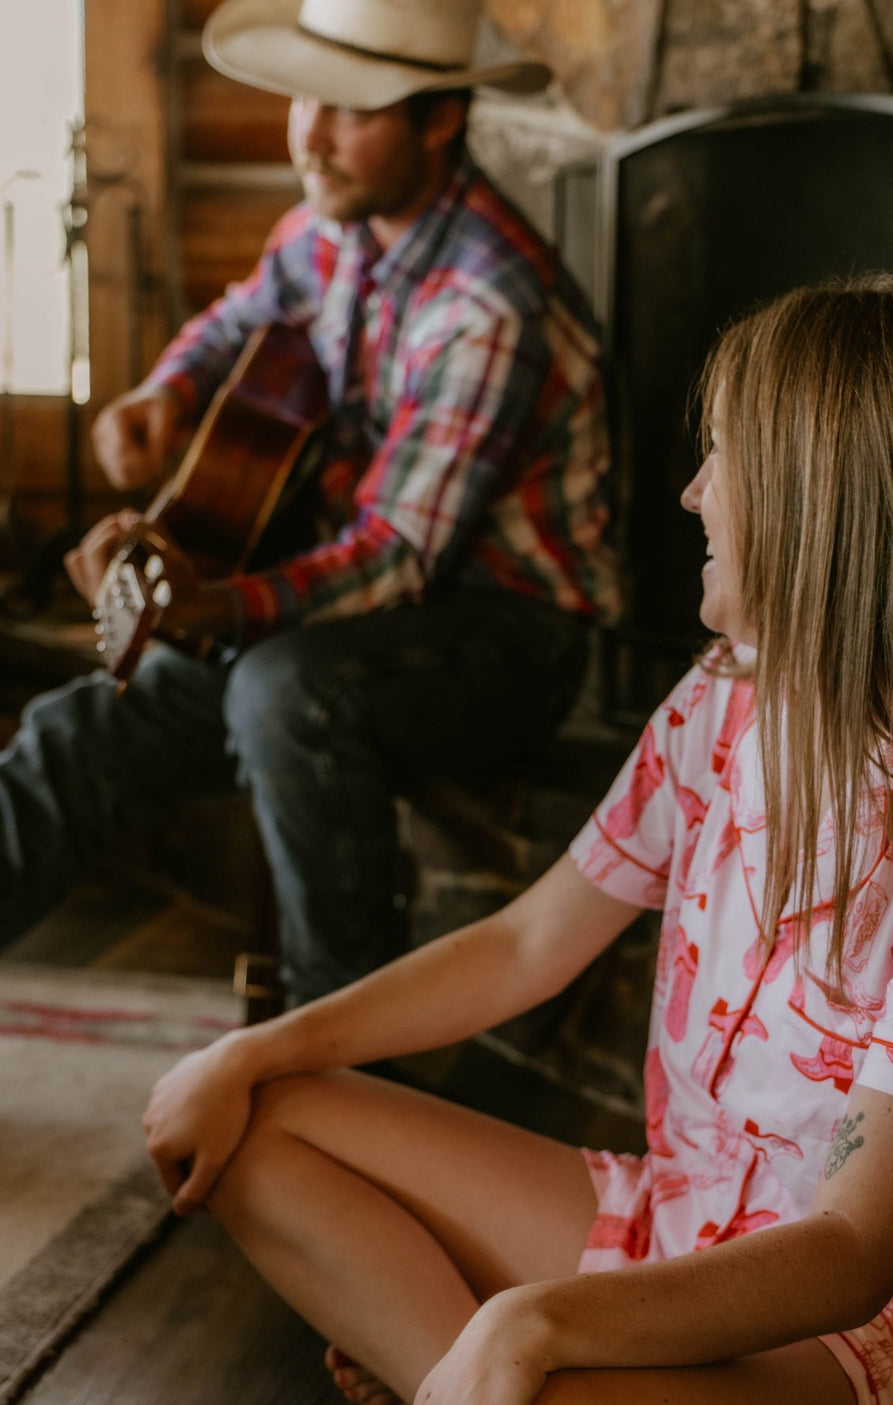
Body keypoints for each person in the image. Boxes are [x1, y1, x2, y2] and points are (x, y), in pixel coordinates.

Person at [140, 277, 893, 1405]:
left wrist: (522, 1322)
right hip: (675, 1224)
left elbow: (851, 1256)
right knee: (248, 1125)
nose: (693, 497)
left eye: (722, 463)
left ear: (824, 506)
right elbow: (528, 943)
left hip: (871, 1348)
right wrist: (259, 1044)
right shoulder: (718, 704)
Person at [0, 0, 618, 1005]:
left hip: (511, 636)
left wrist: (214, 608)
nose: (310, 136)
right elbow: (241, 312)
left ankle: (334, 1049)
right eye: (303, 98)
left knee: (280, 688)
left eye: (352, 108)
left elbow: (392, 556)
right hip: (339, 617)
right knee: (83, 730)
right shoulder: (334, 224)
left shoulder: (489, 303)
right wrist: (166, 391)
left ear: (439, 121)